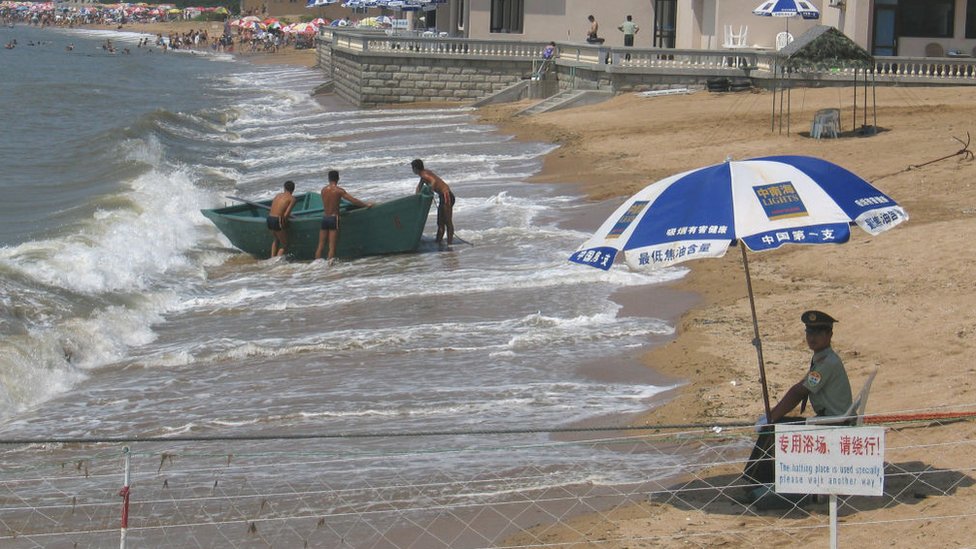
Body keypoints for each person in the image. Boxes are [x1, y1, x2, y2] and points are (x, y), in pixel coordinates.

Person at [741, 310, 853, 502]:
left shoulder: (827, 362)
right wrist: (773, 414)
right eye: (809, 333)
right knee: (777, 423)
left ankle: (761, 482)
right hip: (828, 419)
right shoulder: (822, 358)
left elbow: (799, 392)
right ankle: (757, 481)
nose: (812, 338)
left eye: (818, 333)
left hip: (833, 423)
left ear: (829, 335)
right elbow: (803, 386)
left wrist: (771, 417)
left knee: (775, 428)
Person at [314, 170, 373, 265]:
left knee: (320, 245)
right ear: (338, 178)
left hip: (325, 218)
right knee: (332, 246)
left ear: (328, 179)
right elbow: (353, 200)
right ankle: (329, 268)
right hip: (334, 219)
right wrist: (366, 205)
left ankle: (316, 266)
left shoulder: (323, 190)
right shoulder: (339, 191)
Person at [412, 159, 455, 246]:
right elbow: (419, 187)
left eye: (412, 168)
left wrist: (430, 190)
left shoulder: (424, 175)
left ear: (415, 168)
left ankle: (450, 244)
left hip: (447, 196)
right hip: (443, 196)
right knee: (440, 222)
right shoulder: (424, 174)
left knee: (447, 221)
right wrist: (416, 198)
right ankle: (438, 243)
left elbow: (433, 181)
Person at [267, 180, 296, 257]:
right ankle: (276, 261)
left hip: (270, 218)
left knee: (276, 240)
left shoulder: (278, 195)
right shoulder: (292, 199)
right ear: (293, 190)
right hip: (277, 220)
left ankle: (272, 258)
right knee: (285, 244)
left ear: (284, 188)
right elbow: (286, 214)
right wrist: (285, 224)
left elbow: (273, 209)